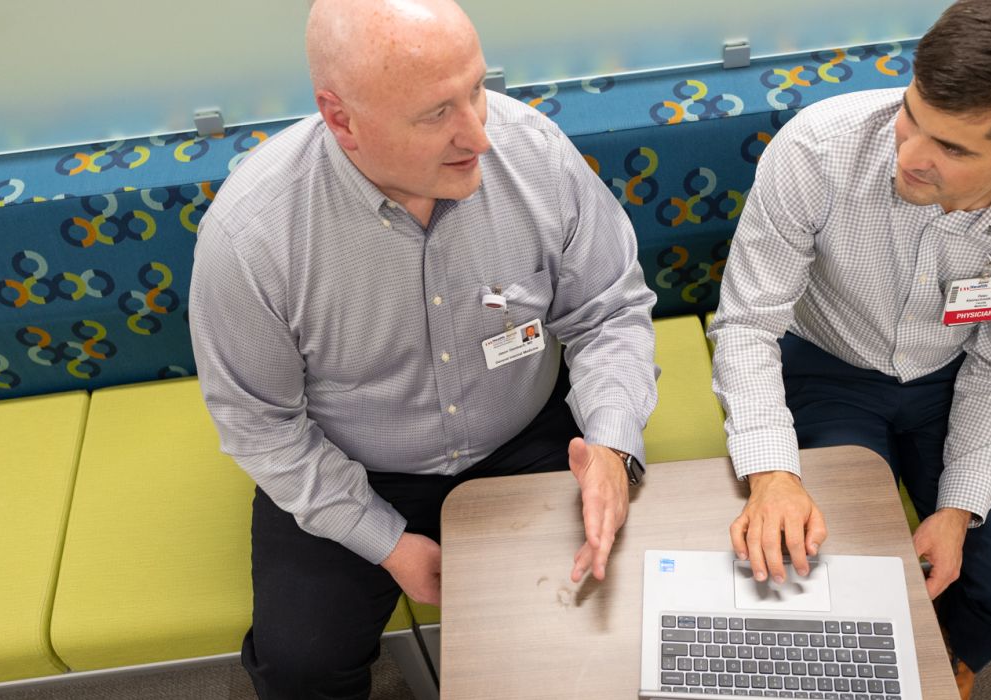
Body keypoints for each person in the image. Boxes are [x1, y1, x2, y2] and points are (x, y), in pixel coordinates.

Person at [187, 0, 658, 696]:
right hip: (355, 465)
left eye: (476, 89)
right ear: (341, 118)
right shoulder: (251, 239)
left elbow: (607, 312)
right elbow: (262, 428)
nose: (480, 135)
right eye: (436, 113)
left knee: (610, 615)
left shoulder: (534, 152)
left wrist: (615, 450)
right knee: (302, 666)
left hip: (526, 434)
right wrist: (386, 543)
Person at [707, 0, 991, 696]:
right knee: (831, 579)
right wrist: (772, 473)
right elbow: (748, 324)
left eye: (953, 149)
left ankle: (952, 655)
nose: (910, 156)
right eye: (912, 114)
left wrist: (956, 510)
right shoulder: (817, 148)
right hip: (824, 366)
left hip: (961, 377)